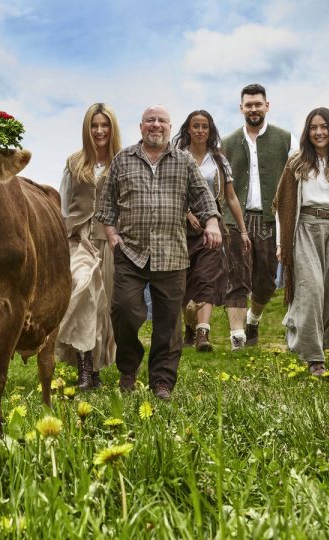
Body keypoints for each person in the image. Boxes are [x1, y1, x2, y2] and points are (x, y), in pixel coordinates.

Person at [96, 105, 222, 401]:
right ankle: (129, 368)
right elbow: (106, 206)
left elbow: (203, 198)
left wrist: (213, 222)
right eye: (150, 121)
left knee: (168, 322)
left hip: (172, 254)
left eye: (162, 121)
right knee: (125, 311)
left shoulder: (184, 161)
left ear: (169, 126)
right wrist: (112, 236)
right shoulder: (122, 159)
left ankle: (162, 382)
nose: (156, 125)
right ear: (141, 127)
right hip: (130, 251)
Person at [274, 107, 329, 376]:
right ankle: (315, 358)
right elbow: (282, 205)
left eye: (324, 126)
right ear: (307, 131)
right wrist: (282, 242)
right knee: (311, 288)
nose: (319, 132)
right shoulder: (296, 162)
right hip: (304, 229)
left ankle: (303, 332)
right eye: (313, 127)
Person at [221, 83, 296, 350]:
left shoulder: (283, 138)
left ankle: (253, 320)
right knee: (236, 277)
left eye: (258, 104)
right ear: (241, 108)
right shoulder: (227, 142)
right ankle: (238, 338)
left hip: (269, 218)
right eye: (248, 105)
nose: (253, 109)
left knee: (266, 282)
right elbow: (223, 184)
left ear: (267, 105)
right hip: (234, 219)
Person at [173, 110, 251, 351]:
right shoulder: (176, 157)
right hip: (180, 227)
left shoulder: (218, 160)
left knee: (207, 278)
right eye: (195, 126)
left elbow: (230, 196)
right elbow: (171, 192)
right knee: (184, 281)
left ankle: (202, 334)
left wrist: (243, 230)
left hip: (213, 227)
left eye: (204, 126)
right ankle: (188, 325)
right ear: (188, 129)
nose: (200, 130)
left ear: (210, 130)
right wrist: (188, 214)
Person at [57, 103, 121, 391]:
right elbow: (63, 203)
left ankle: (94, 370)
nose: (99, 130)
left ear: (112, 128)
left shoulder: (122, 162)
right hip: (79, 239)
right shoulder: (74, 162)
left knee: (104, 307)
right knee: (83, 291)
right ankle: (83, 368)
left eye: (104, 125)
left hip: (110, 241)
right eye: (94, 125)